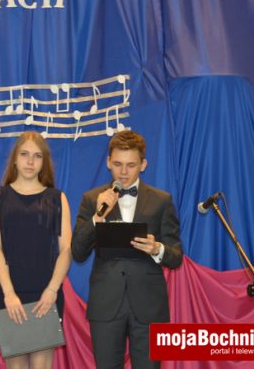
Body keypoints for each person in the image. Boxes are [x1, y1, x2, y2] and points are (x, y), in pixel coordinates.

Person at [71, 130, 183, 369]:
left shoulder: (162, 200)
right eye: (117, 164)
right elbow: (78, 252)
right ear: (108, 162)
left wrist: (157, 248)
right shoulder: (92, 199)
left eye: (131, 165)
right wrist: (97, 218)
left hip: (149, 305)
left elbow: (176, 257)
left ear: (143, 165)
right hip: (106, 303)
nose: (123, 172)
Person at [0, 131, 72, 369]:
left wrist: (52, 290)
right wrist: (9, 294)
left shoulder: (58, 198)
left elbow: (66, 249)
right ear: (15, 158)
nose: (30, 161)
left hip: (46, 295)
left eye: (37, 156)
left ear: (44, 162)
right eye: (24, 154)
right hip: (9, 294)